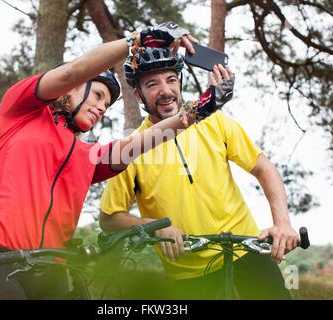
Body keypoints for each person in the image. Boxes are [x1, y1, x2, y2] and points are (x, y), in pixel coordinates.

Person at [0, 21, 222, 300]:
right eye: (97, 95)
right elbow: (73, 71)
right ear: (69, 90)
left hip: (53, 269)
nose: (101, 107)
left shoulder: (86, 155)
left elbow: (137, 144)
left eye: (106, 104)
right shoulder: (20, 111)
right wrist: (138, 39)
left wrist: (201, 109)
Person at [99, 46, 300, 299]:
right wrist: (152, 226)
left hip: (245, 249)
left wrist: (282, 223)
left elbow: (263, 167)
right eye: (152, 84)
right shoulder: (132, 148)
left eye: (171, 80)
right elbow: (108, 219)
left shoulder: (214, 120)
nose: (166, 91)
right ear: (138, 96)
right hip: (188, 272)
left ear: (180, 83)